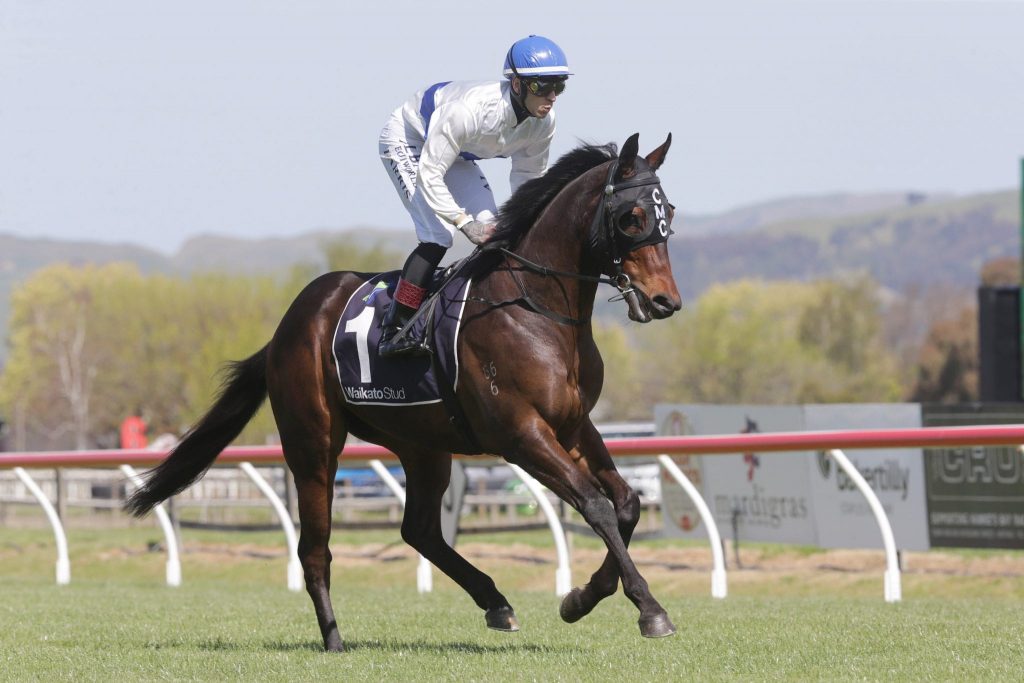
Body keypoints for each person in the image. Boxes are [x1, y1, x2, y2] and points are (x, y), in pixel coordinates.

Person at [377, 35, 571, 357]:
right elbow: (430, 174)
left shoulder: (543, 123)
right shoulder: (468, 111)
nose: (551, 96)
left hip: (454, 153)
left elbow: (528, 180)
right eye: (543, 86)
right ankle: (396, 327)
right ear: (517, 85)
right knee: (439, 234)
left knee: (494, 230)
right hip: (409, 140)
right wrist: (464, 223)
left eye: (559, 86)